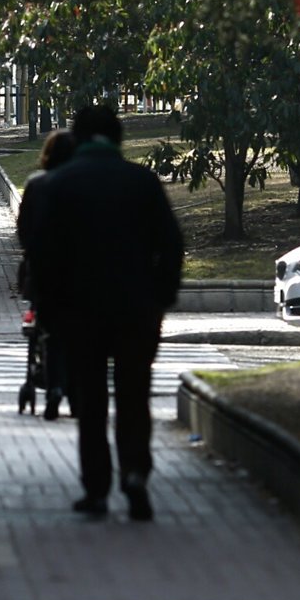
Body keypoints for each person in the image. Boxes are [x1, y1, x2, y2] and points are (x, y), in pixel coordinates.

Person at [26, 106, 183, 522]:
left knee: (90, 398)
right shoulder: (142, 181)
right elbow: (171, 243)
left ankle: (96, 487)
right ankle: (135, 473)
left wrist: (50, 307)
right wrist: (161, 296)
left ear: (78, 138)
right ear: (118, 137)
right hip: (136, 308)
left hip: (79, 311)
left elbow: (42, 253)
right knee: (134, 393)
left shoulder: (58, 185)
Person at [15, 129, 77, 420]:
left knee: (50, 332)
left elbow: (24, 231)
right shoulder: (82, 185)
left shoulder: (36, 185)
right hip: (79, 274)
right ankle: (75, 389)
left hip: (44, 273)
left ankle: (54, 386)